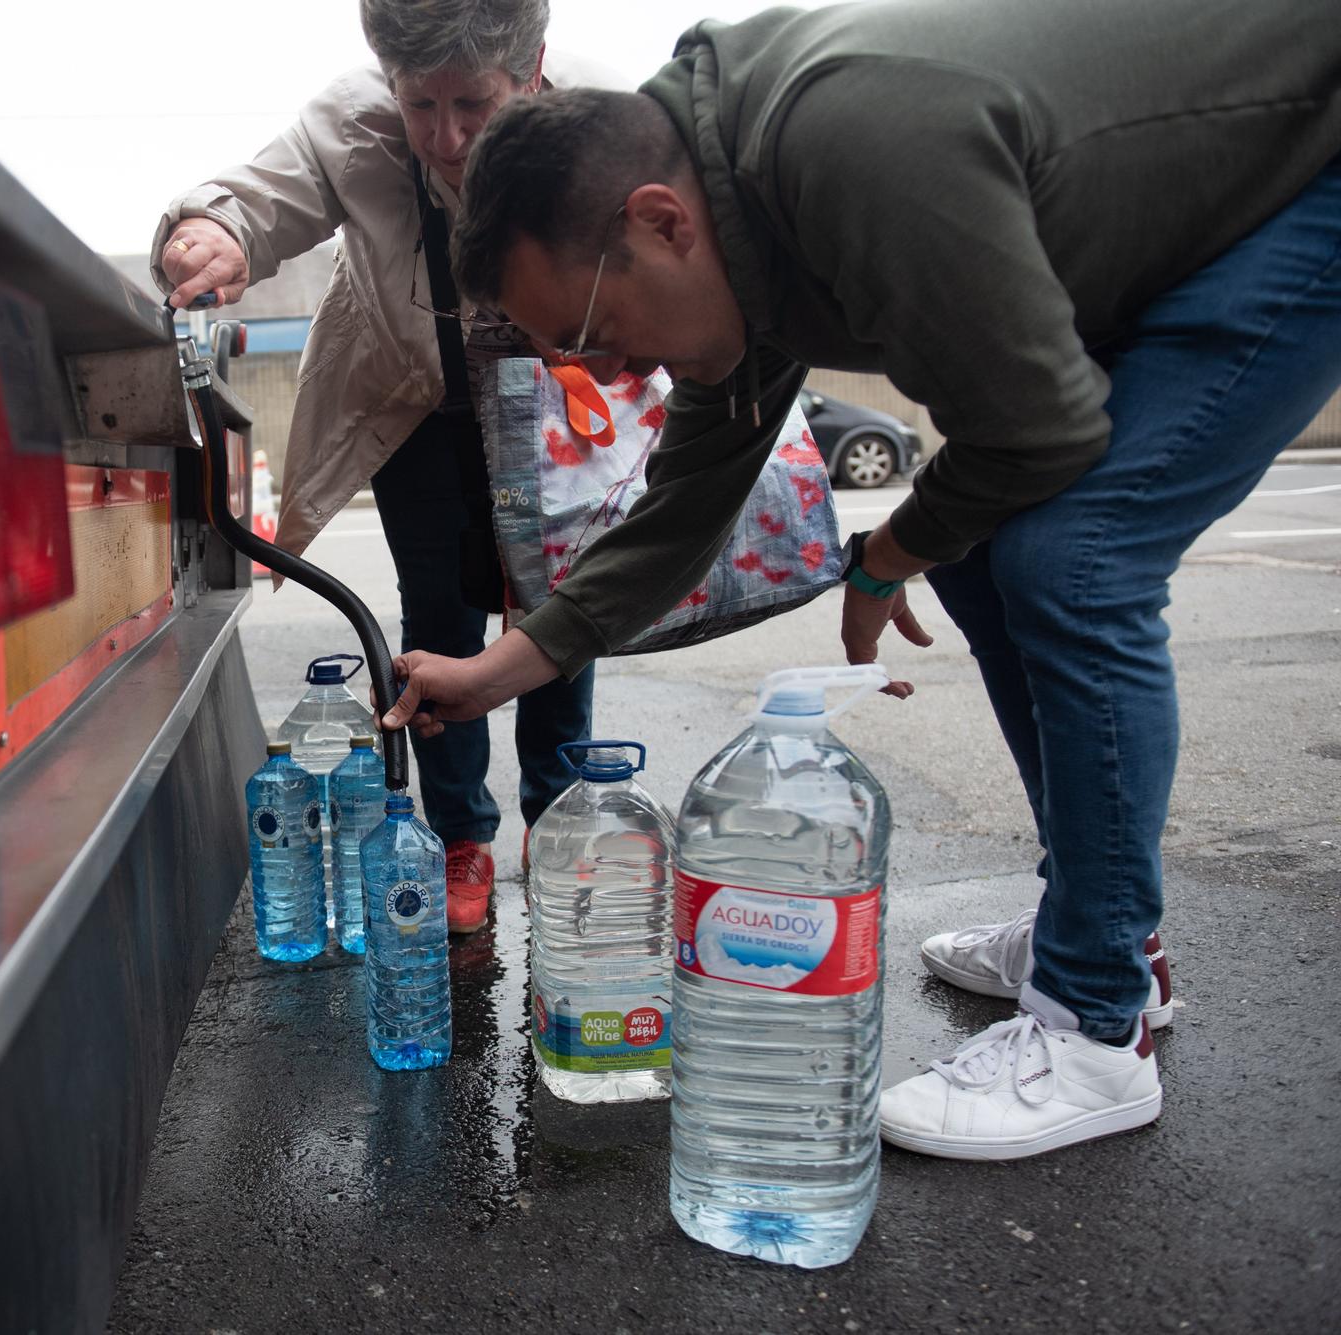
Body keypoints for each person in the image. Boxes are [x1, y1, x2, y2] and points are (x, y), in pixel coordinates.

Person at [381, 0, 1341, 1156]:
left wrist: (887, 555)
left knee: (1071, 559)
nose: (612, 371)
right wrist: (499, 670)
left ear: (659, 221)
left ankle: (1096, 1021)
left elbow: (1038, 432)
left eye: (597, 332)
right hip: (1186, 222)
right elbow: (685, 503)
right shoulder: (736, 211)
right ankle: (1097, 927)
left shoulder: (849, 155)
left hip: (1301, 183)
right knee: (990, 545)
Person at [152, 0, 623, 932]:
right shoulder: (354, 121)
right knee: (437, 624)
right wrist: (219, 230)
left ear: (529, 74)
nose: (445, 137)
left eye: (474, 107)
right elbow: (257, 195)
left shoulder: (600, 115)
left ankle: (564, 818)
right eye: (421, 104)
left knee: (562, 607)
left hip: (554, 409)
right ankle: (458, 838)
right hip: (418, 408)